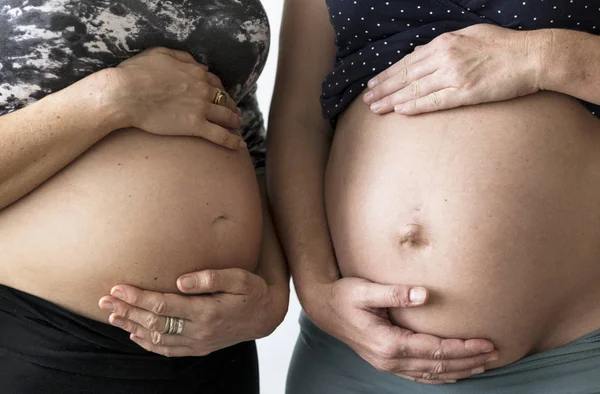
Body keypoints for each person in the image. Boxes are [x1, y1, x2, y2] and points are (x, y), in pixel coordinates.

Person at [268, 0, 600, 392]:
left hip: (575, 355)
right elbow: (300, 120)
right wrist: (318, 293)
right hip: (356, 356)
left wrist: (542, 57)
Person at [0, 1, 288, 393]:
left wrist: (271, 295)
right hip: (45, 337)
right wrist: (112, 95)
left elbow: (245, 135)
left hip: (219, 339)